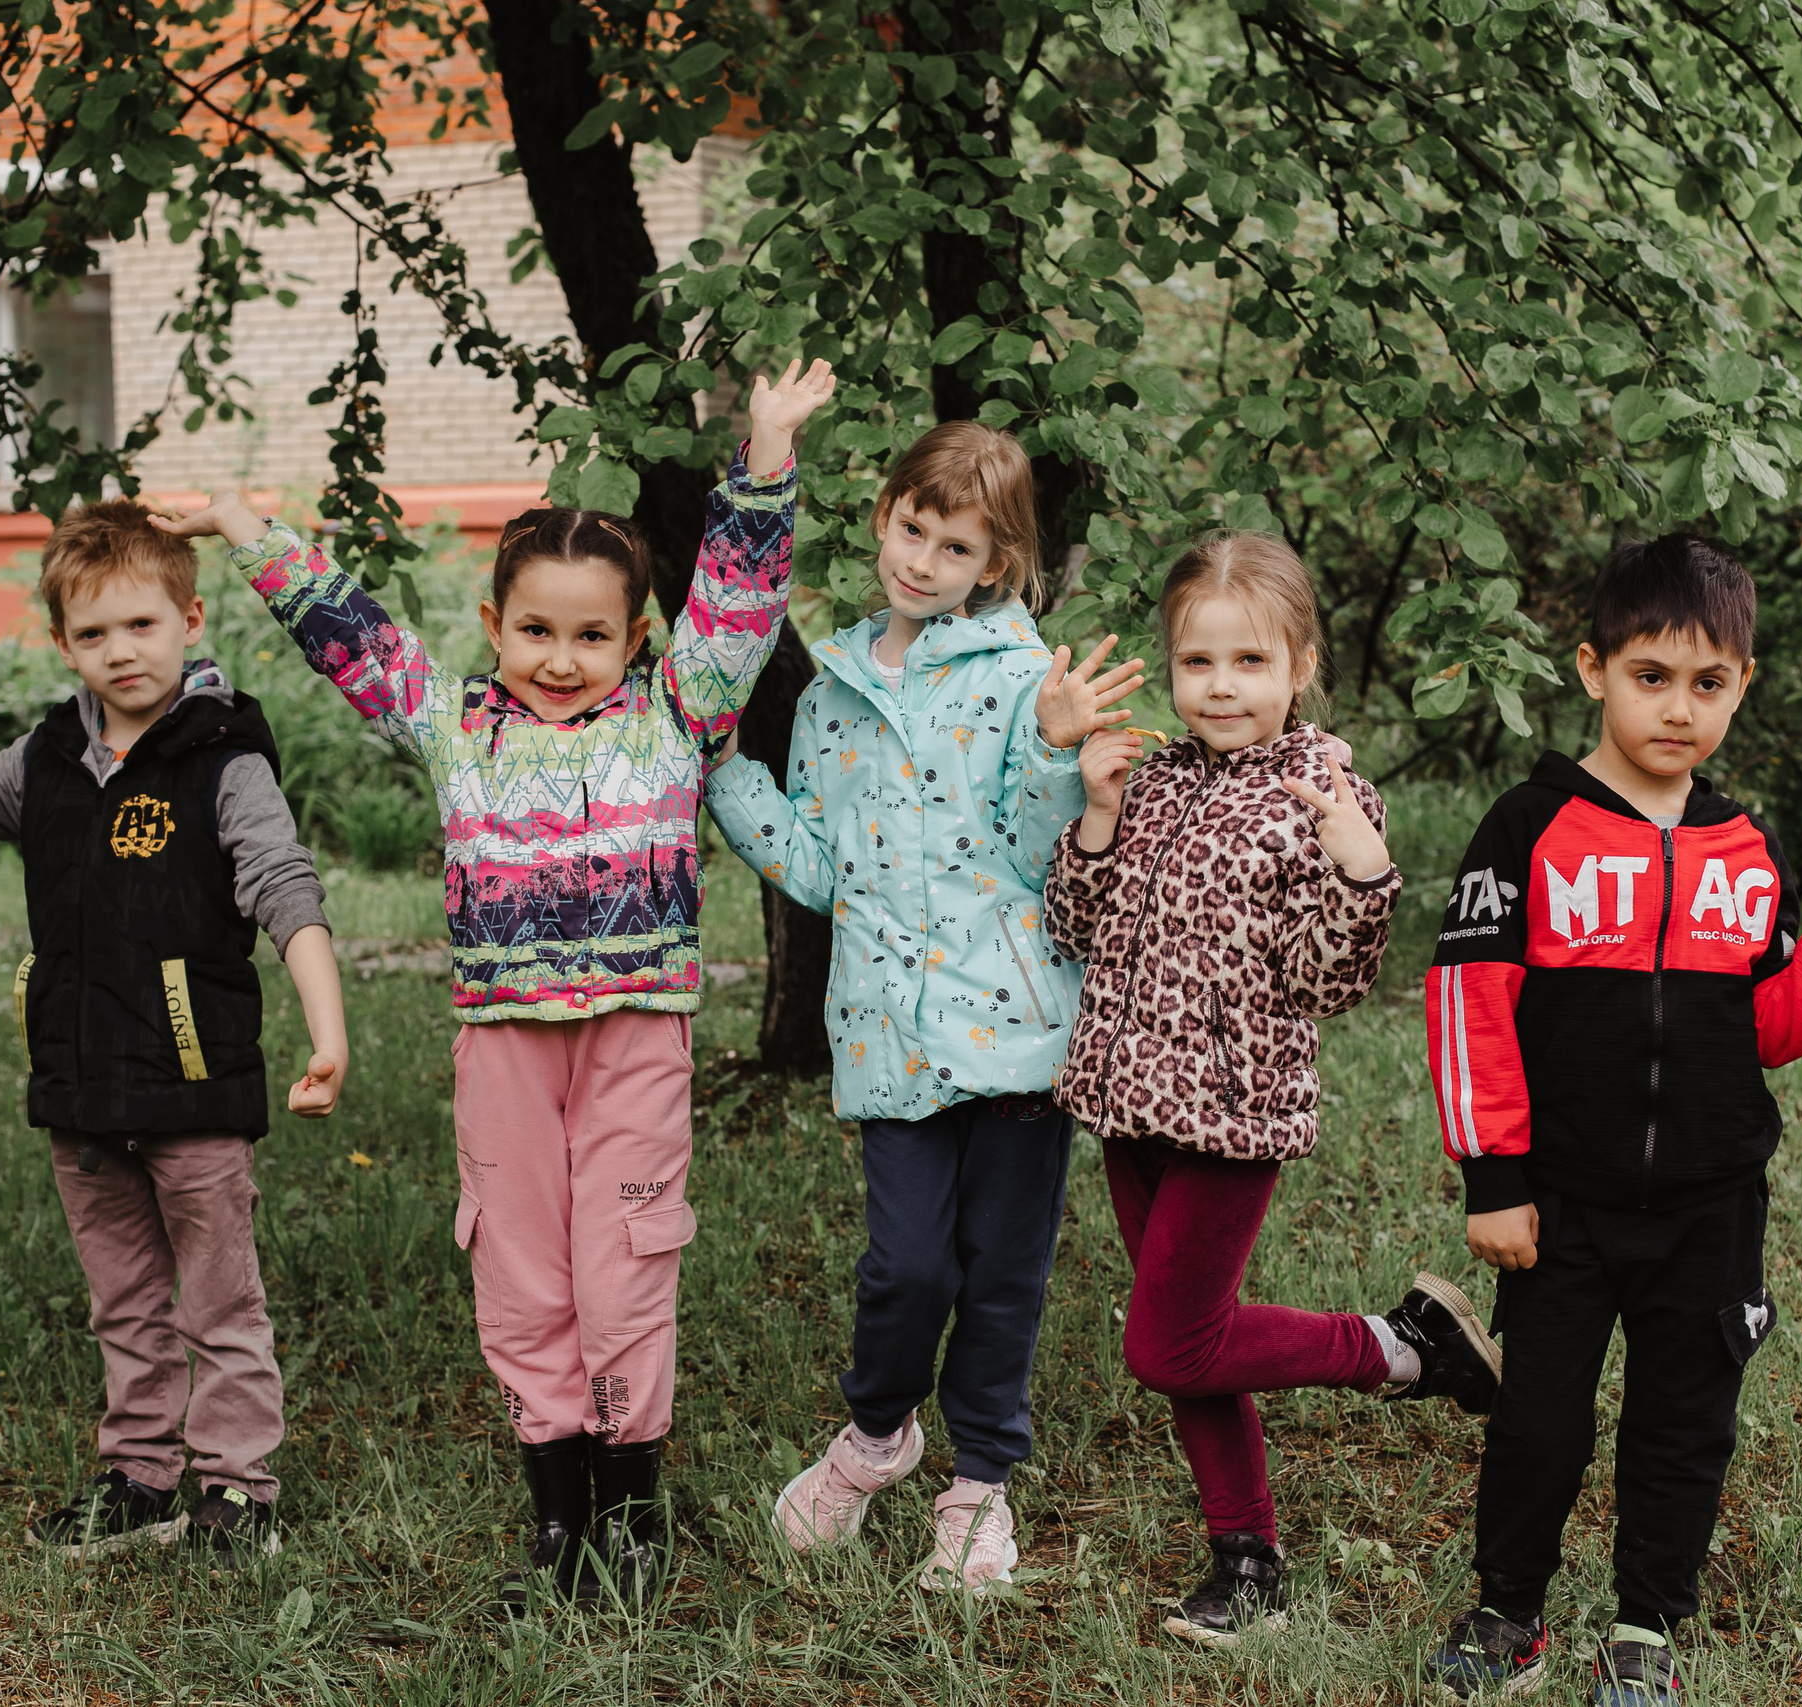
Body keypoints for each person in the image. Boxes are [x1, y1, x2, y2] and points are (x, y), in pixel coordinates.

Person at [152, 358, 832, 1606]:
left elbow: (735, 610)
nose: (560, 659)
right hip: (504, 1050)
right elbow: (349, 636)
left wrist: (765, 461)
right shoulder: (453, 723)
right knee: (521, 1278)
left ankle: (633, 1516)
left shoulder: (677, 715)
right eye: (534, 631)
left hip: (636, 1040)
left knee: (622, 1267)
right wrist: (251, 530)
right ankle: (557, 1522)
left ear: (636, 638)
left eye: (590, 636)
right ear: (492, 626)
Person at [1422, 534, 1802, 1705]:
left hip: (1711, 1203)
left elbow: (1768, 1025)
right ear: (1593, 668)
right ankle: (1509, 1611)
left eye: (1709, 684)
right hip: (1563, 1204)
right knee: (1539, 1423)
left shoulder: (1743, 847)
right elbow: (1469, 1008)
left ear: (1741, 686)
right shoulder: (1528, 826)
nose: (1679, 708)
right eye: (1651, 676)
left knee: (1681, 1421)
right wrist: (1495, 1178)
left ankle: (1645, 1625)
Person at [704, 420, 1143, 1596]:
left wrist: (1055, 752)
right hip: (888, 1032)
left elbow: (1036, 851)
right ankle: (875, 1438)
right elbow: (815, 869)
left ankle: (978, 1488)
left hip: (1016, 1034)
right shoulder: (832, 692)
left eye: (955, 547)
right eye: (913, 527)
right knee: (905, 1268)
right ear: (883, 513)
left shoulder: (1020, 679)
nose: (923, 559)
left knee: (1002, 1270)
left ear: (992, 565)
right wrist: (722, 779)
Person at [1044, 531, 1504, 1646]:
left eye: (1249, 662)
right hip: (1124, 1101)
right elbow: (1074, 930)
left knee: (1165, 1343)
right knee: (1189, 1344)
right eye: (1198, 663)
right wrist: (1096, 814)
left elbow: (1324, 982)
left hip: (1229, 1114)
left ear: (1299, 665)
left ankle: (1399, 1349)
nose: (1221, 687)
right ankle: (1244, 1556)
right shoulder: (1148, 778)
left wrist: (1358, 869)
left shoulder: (1323, 795)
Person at [0, 499, 348, 1565]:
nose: (120, 651)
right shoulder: (45, 757)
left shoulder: (223, 755)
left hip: (194, 1085)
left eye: (142, 625)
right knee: (124, 1302)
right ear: (63, 645)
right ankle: (139, 1479)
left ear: (189, 619)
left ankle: (237, 1492)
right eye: (93, 634)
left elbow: (286, 890)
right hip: (80, 1085)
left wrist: (327, 1032)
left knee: (218, 1302)